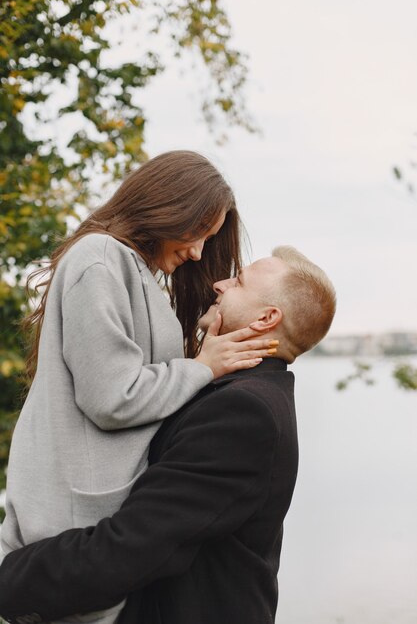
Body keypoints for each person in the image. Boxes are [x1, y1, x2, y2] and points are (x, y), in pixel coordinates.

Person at [0, 151, 277, 624]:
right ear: (169, 206)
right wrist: (203, 367)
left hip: (93, 526)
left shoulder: (137, 273)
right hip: (69, 526)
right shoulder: (100, 258)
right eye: (198, 235)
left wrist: (201, 358)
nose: (197, 253)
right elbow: (112, 396)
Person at [0, 246, 336, 624]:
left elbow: (133, 546)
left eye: (238, 281)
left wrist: (8, 580)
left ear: (266, 318)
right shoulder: (242, 392)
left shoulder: (246, 412)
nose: (220, 283)